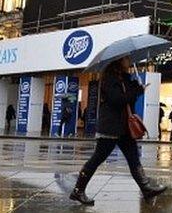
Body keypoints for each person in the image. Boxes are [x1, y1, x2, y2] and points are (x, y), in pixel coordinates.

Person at [69, 57, 166, 205]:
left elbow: (128, 100)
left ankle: (145, 188)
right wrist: (136, 91)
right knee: (97, 159)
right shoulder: (109, 78)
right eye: (126, 59)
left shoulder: (125, 78)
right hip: (111, 127)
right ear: (118, 62)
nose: (129, 61)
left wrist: (136, 87)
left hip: (124, 128)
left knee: (134, 158)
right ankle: (78, 190)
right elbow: (117, 100)